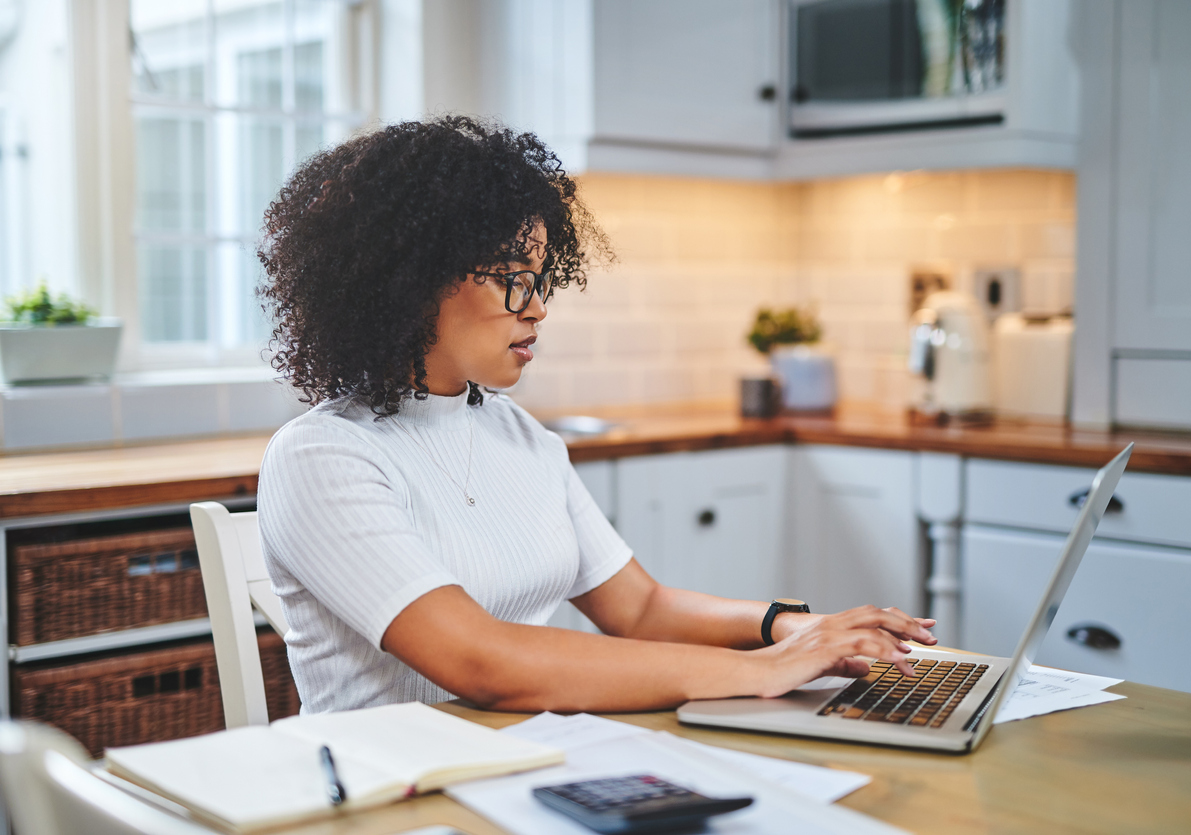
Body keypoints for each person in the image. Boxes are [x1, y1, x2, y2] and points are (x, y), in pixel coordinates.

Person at [257, 116, 936, 715]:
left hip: (524, 764)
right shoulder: (323, 457)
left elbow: (638, 607)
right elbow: (481, 662)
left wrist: (791, 628)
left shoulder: (518, 435)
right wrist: (758, 671)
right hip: (393, 798)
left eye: (540, 278)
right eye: (511, 277)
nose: (537, 308)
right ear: (411, 278)